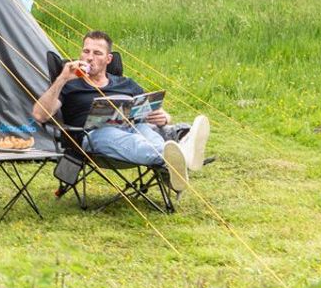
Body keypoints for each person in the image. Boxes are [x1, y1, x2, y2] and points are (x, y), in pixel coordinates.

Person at [32, 30, 210, 192]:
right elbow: (39, 115)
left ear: (108, 59)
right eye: (86, 51)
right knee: (128, 138)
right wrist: (61, 78)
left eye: (97, 53)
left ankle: (174, 156)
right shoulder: (69, 85)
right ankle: (182, 154)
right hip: (93, 136)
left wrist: (164, 117)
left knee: (145, 133)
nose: (89, 58)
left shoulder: (126, 83)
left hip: (134, 128)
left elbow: (157, 111)